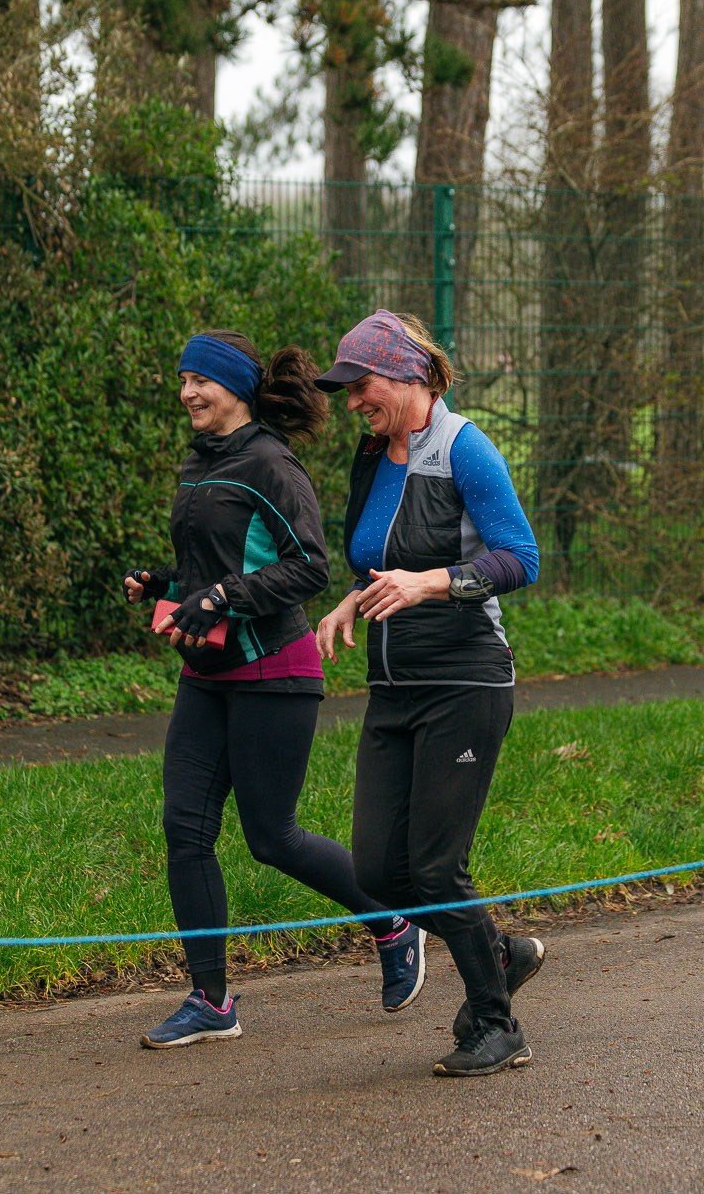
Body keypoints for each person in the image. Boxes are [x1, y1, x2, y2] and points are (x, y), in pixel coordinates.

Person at [125, 329, 426, 1049]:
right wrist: (167, 586)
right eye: (183, 378)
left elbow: (309, 566)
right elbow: (216, 562)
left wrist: (222, 594)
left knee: (272, 838)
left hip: (275, 674)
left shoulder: (271, 462)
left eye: (202, 379)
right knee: (185, 830)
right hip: (208, 675)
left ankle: (392, 923)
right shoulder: (200, 463)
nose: (189, 392)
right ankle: (211, 999)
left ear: (234, 387)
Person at [312, 309, 546, 1078]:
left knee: (437, 867)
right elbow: (374, 556)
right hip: (393, 689)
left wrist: (434, 582)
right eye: (347, 389)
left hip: (465, 682)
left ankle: (495, 1023)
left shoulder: (466, 449)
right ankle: (498, 951)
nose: (353, 400)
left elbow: (521, 558)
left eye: (362, 384)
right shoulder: (372, 454)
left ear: (409, 375)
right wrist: (355, 596)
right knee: (380, 873)